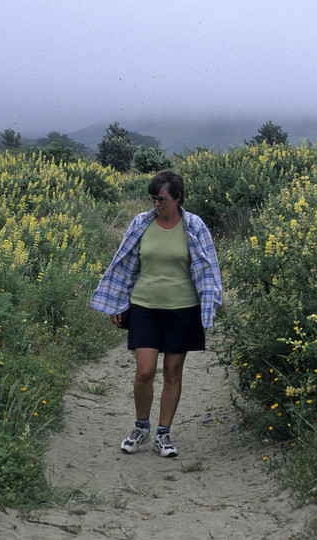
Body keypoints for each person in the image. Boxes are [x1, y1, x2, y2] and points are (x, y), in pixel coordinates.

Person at [90, 169, 222, 457]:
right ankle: (141, 427)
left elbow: (210, 270)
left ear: (178, 198)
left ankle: (164, 433)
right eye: (153, 199)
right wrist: (118, 303)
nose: (156, 204)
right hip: (144, 307)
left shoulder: (194, 226)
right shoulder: (141, 223)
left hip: (183, 310)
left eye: (161, 199)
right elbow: (124, 266)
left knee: (173, 372)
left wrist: (209, 307)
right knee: (145, 371)